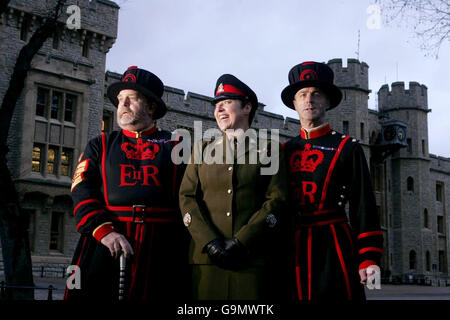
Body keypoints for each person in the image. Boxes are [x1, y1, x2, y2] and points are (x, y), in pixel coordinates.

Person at [64, 66, 189, 301]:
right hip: (105, 243)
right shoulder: (100, 144)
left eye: (130, 99)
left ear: (151, 106)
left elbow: (192, 196)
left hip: (162, 250)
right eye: (120, 100)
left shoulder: (178, 145)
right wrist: (104, 231)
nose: (122, 105)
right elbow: (81, 189)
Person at [179, 74, 289, 300]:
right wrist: (209, 243)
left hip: (252, 260)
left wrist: (242, 241)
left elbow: (277, 200)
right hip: (207, 261)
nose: (219, 110)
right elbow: (187, 197)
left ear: (247, 107)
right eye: (216, 105)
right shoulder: (202, 148)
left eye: (227, 103)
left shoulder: (269, 149)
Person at [281, 61, 383, 300]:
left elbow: (363, 205)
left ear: (327, 102)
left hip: (334, 246)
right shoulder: (284, 150)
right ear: (294, 104)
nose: (309, 100)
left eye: (316, 94)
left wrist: (368, 257)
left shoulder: (348, 147)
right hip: (292, 247)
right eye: (303, 95)